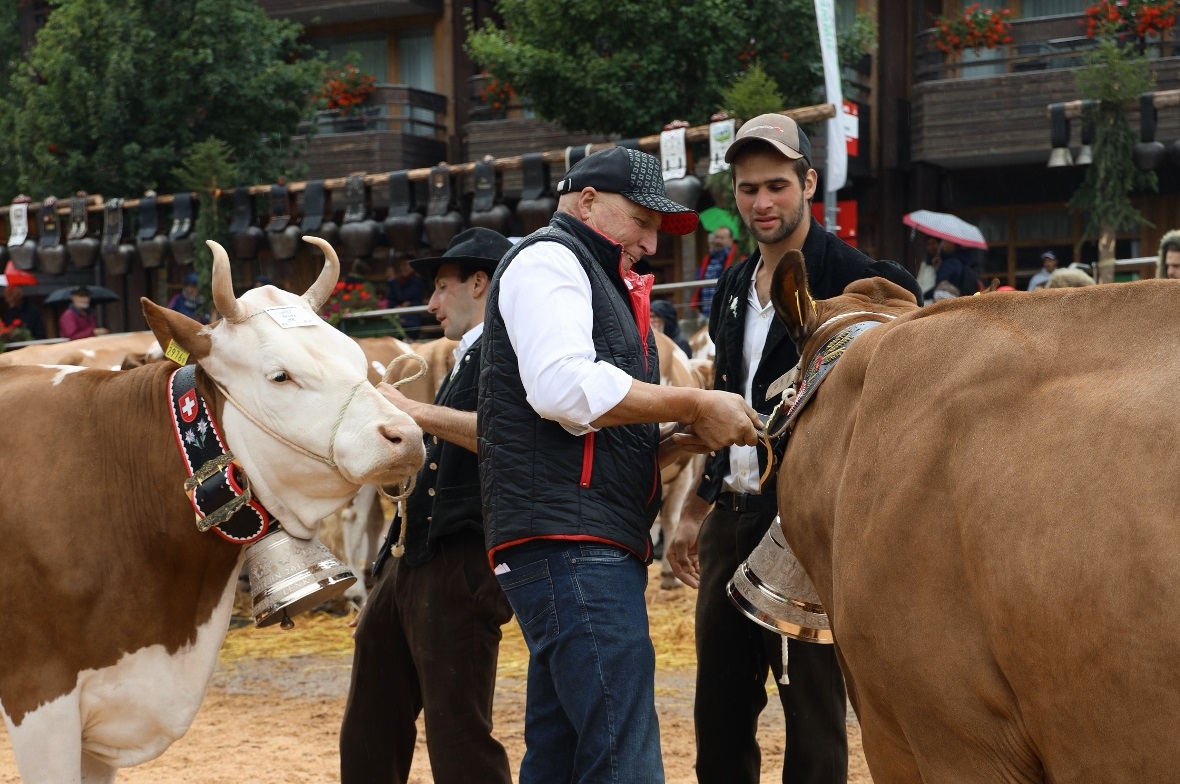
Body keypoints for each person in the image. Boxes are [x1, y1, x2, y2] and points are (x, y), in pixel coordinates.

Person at [479, 146, 761, 783]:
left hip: (568, 536)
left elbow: (574, 424)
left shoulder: (584, 271)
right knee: (621, 752)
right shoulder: (550, 259)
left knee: (560, 750)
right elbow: (559, 389)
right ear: (587, 202)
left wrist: (672, 440)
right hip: (574, 543)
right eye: (642, 220)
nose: (652, 241)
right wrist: (692, 399)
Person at [666, 113, 923, 784]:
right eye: (748, 189)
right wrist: (698, 506)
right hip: (733, 516)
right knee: (718, 711)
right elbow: (730, 398)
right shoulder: (730, 283)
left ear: (809, 182)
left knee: (811, 715)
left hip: (812, 524)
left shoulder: (865, 281)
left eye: (777, 185)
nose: (762, 203)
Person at [340, 228, 515, 784]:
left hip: (463, 559)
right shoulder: (468, 356)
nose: (432, 303)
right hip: (410, 554)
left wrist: (409, 412)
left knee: (457, 731)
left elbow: (511, 439)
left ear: (481, 283)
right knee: (369, 721)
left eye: (442, 288)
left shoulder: (508, 351)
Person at [691, 225, 742, 316]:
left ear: (730, 240)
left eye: (722, 238)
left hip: (725, 309)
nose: (717, 241)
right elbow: (699, 277)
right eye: (716, 237)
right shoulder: (709, 257)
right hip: (706, 308)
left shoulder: (737, 258)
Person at [386, 257, 424, 338]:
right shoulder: (400, 281)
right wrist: (397, 306)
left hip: (411, 322)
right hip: (398, 321)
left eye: (405, 265)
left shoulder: (416, 281)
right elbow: (391, 299)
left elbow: (402, 297)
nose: (403, 268)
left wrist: (392, 280)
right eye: (401, 265)